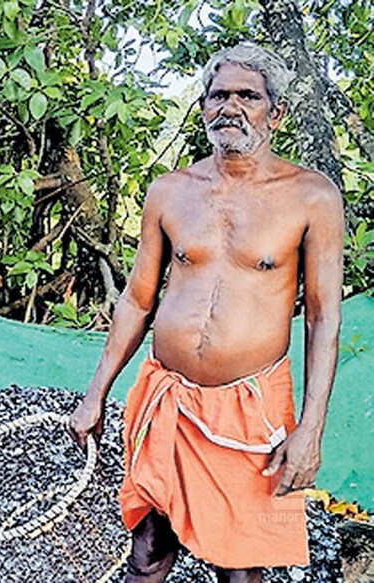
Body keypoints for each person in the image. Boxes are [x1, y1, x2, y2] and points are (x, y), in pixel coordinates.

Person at [68, 42, 342, 583]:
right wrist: (95, 393)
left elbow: (321, 318)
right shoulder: (171, 191)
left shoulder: (312, 197)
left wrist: (310, 429)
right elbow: (138, 300)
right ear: (202, 108)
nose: (230, 108)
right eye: (219, 96)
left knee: (240, 570)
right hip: (167, 397)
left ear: (276, 112)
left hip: (250, 408)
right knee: (146, 553)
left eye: (248, 96)